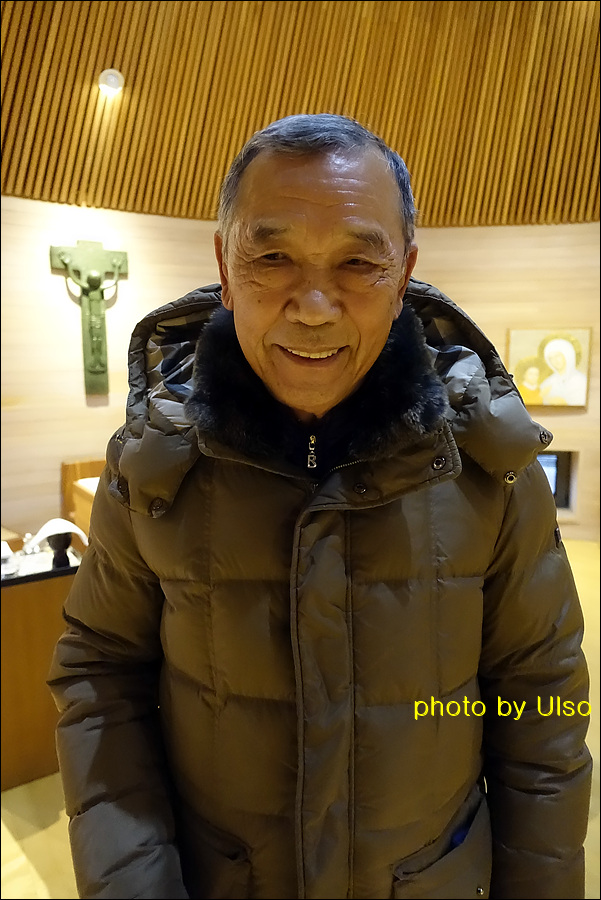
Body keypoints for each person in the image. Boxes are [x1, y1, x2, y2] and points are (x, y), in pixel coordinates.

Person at [47, 113, 591, 900]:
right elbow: (101, 672)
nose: (311, 305)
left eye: (357, 262)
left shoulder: (487, 463)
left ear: (403, 274)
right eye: (271, 257)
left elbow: (538, 692)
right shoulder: (153, 463)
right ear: (224, 266)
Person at [539, 336, 588, 406]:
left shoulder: (581, 381)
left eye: (557, 356)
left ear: (567, 355)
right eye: (551, 358)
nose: (555, 361)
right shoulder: (547, 383)